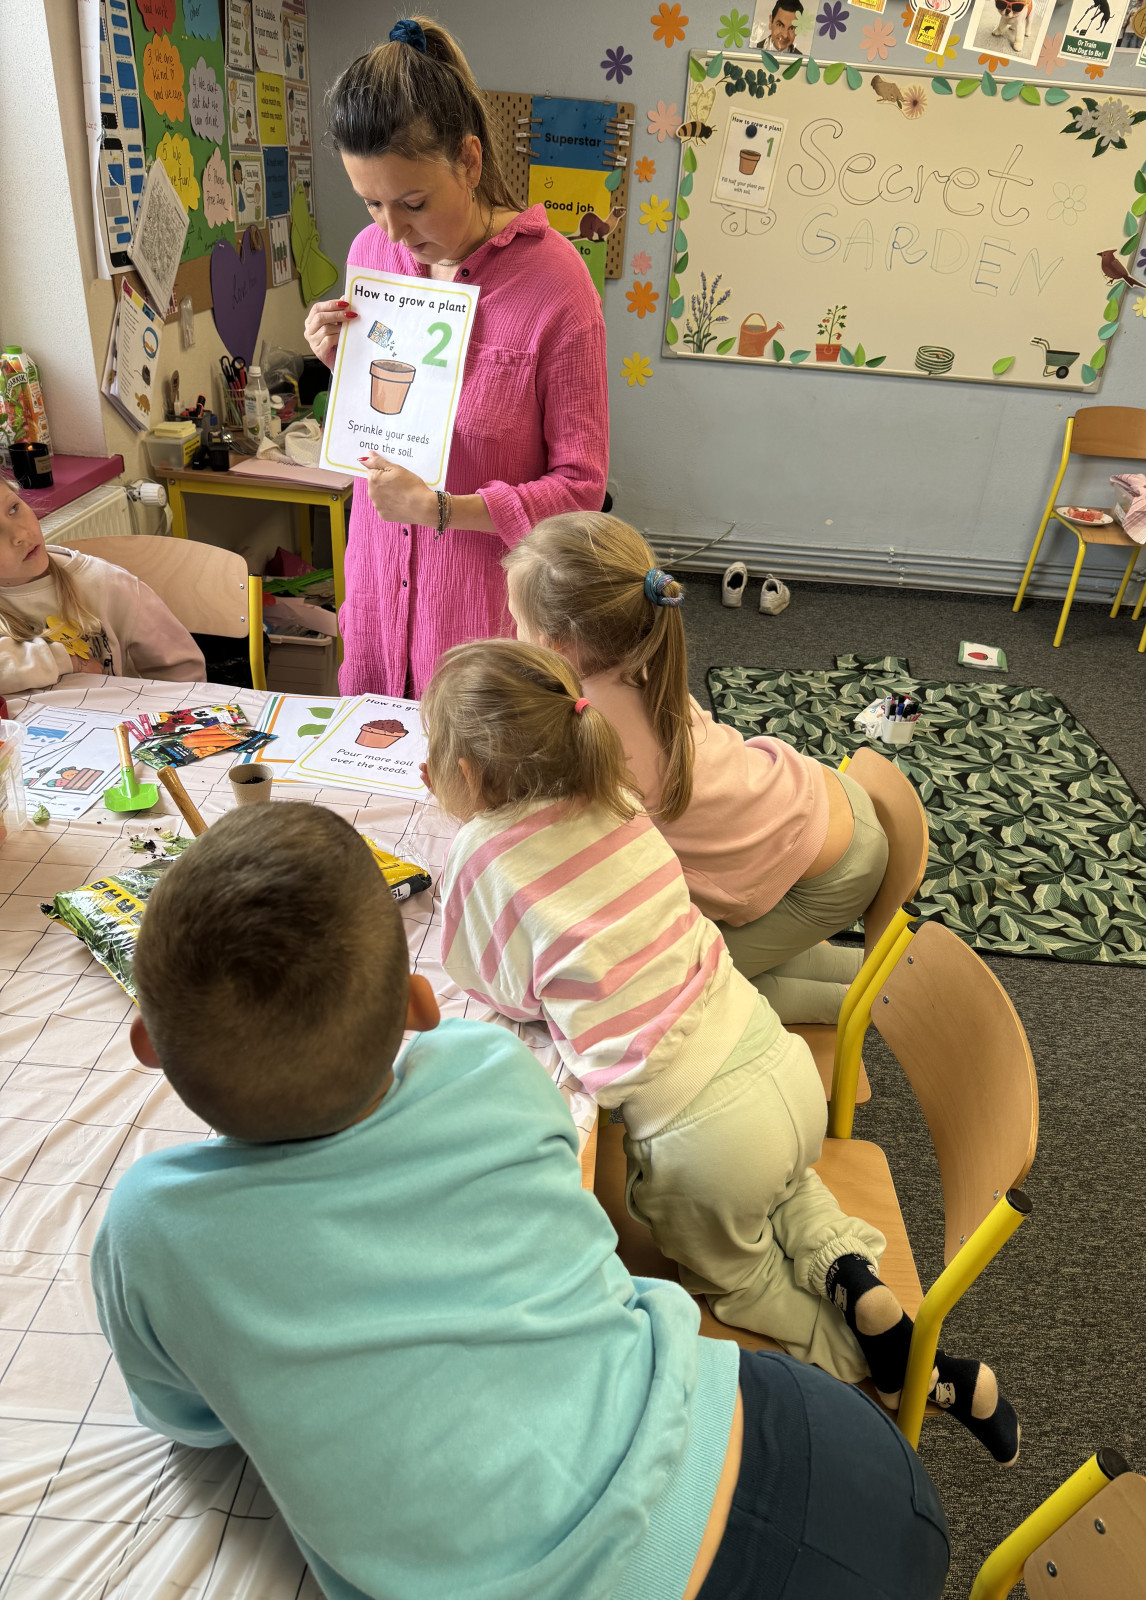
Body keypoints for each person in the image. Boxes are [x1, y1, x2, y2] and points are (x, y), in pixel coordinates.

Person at [90, 804, 953, 1600]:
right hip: (837, 1453)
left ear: (147, 1046)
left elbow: (189, 1422)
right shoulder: (484, 1066)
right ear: (419, 1007)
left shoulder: (147, 1230)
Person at [427, 638, 1019, 1466]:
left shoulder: (483, 855)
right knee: (788, 1181)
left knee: (739, 1280)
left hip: (699, 1142)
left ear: (468, 773)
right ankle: (851, 1272)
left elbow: (486, 980)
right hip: (777, 1066)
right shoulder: (617, 797)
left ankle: (914, 1375)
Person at [305, 16, 608, 699]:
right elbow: (395, 419)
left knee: (478, 762)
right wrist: (339, 359)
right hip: (380, 589)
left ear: (469, 163)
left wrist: (447, 509)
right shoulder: (371, 254)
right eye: (370, 203)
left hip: (484, 616)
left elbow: (581, 488)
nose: (393, 231)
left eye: (413, 203)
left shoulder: (556, 284)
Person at [504, 514, 887, 1026]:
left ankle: (866, 1007)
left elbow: (570, 864)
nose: (513, 634)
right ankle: (871, 974)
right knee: (698, 954)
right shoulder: (640, 652)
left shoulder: (595, 737)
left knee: (661, 988)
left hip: (825, 875)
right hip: (824, 803)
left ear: (554, 644)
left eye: (517, 624)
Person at [0, 478, 203, 692]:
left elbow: (183, 671)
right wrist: (64, 659)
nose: (21, 535)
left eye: (13, 508)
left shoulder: (105, 582)